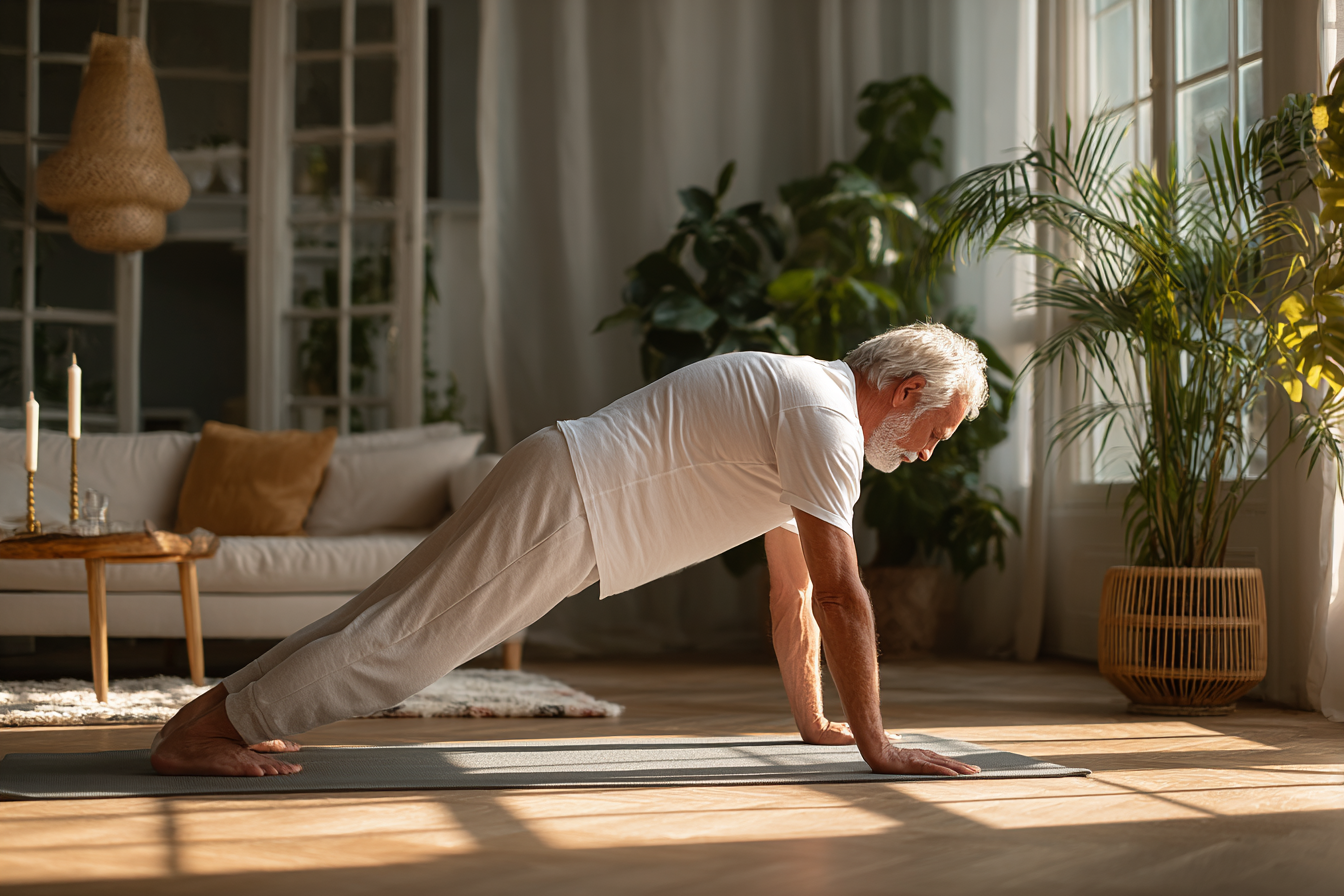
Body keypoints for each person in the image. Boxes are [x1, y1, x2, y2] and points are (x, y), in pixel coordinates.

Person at [151, 321, 987, 778]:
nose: (926, 452)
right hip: (576, 501)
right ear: (907, 391)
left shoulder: (811, 410)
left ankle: (206, 721)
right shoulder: (826, 421)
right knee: (402, 649)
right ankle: (212, 733)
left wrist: (816, 724)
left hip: (567, 483)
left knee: (380, 617)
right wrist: (880, 744)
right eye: (936, 432)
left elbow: (796, 596)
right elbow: (845, 596)